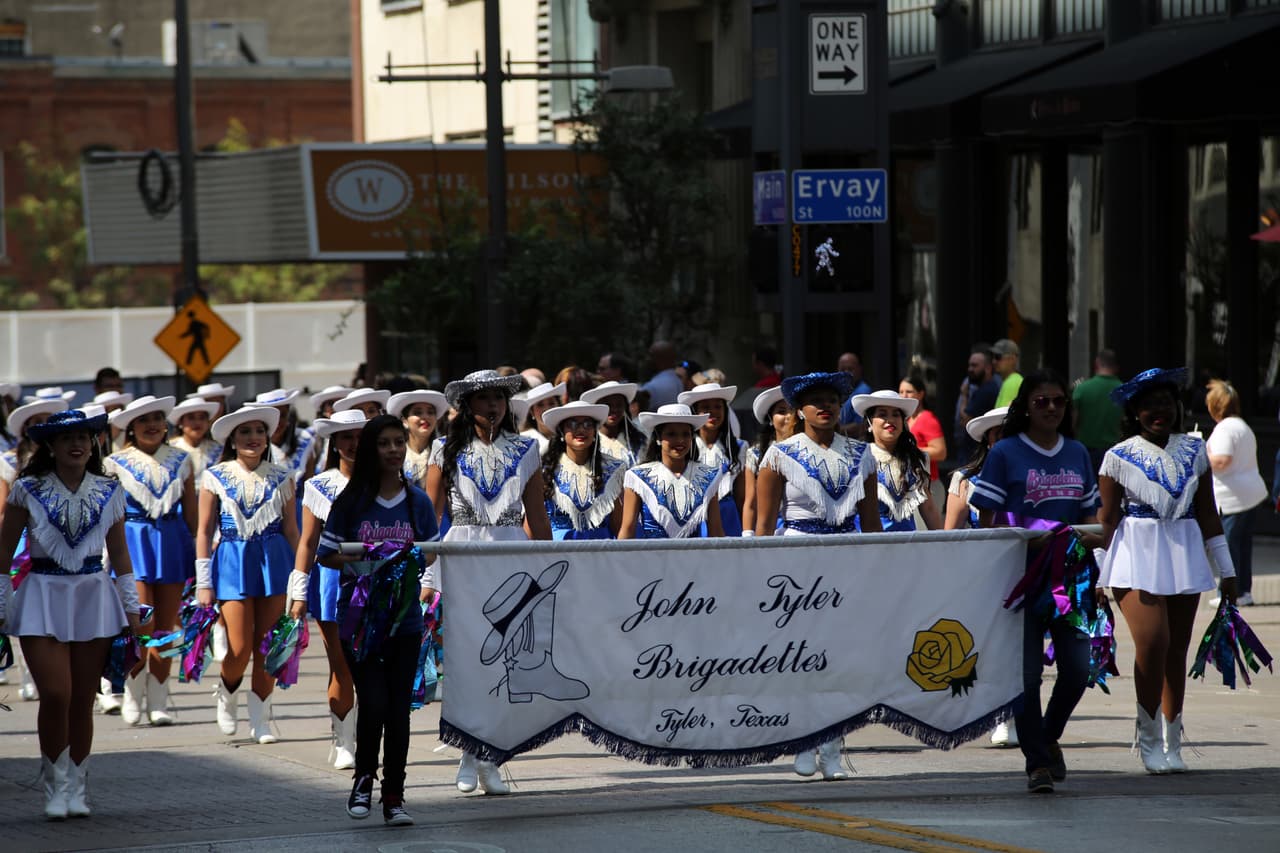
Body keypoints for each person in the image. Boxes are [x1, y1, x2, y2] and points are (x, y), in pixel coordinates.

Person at [0, 408, 145, 819]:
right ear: (51, 446)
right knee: (56, 693)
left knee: (82, 698)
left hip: (92, 594)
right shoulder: (27, 488)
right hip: (41, 594)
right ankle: (53, 784)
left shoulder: (109, 489)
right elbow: (3, 550)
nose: (78, 445)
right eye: (66, 439)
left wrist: (131, 607)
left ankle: (76, 785)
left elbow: (119, 553)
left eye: (85, 437)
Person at [1097, 367, 1237, 775]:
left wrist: (1227, 571)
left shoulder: (1195, 450)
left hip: (1184, 550)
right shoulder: (1117, 456)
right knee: (1153, 642)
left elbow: (1209, 514)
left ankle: (1173, 741)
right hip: (1137, 552)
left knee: (1177, 648)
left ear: (1176, 407)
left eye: (1165, 403)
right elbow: (1106, 520)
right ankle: (1147, 739)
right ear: (1135, 411)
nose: (1158, 411)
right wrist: (1099, 574)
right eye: (1148, 405)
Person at [969, 369, 1101, 795]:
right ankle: (1037, 764)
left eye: (1058, 401)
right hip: (1020, 579)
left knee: (1078, 671)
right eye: (1041, 401)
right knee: (1025, 678)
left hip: (1072, 579)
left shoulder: (1078, 452)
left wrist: (1091, 539)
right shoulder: (1005, 452)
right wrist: (1027, 532)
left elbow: (1092, 519)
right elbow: (984, 520)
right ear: (1025, 406)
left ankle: (1046, 734)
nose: (1050, 408)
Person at [424, 369, 553, 796]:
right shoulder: (443, 451)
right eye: (483, 399)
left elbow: (538, 518)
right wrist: (427, 575)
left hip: (511, 557)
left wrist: (548, 574)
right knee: (463, 663)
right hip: (461, 559)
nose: (493, 405)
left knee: (504, 661)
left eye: (499, 397)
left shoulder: (528, 449)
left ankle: (491, 756)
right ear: (467, 406)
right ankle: (466, 750)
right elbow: (428, 520)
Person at [312, 414, 439, 827]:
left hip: (405, 621)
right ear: (371, 449)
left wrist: (406, 557)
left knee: (400, 710)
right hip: (361, 620)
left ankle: (395, 796)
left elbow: (432, 551)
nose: (393, 451)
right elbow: (326, 554)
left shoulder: (417, 500)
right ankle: (363, 779)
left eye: (398, 443)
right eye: (384, 443)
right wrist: (367, 553)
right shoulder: (351, 501)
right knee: (376, 703)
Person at [754, 371, 881, 780]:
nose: (825, 406)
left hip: (845, 559)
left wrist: (879, 569)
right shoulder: (779, 455)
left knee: (839, 658)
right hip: (797, 561)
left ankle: (832, 747)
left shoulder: (863, 455)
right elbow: (762, 524)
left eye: (832, 398)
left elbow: (871, 523)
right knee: (801, 656)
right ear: (799, 410)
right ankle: (803, 740)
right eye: (816, 400)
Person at [195, 405, 300, 744]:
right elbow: (203, 531)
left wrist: (302, 577)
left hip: (275, 561)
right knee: (238, 648)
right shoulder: (215, 476)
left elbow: (292, 531)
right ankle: (227, 692)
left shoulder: (282, 475)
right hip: (232, 561)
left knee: (269, 647)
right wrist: (203, 581)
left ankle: (261, 718)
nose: (254, 438)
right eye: (245, 432)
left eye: (259, 431)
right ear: (232, 439)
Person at [105, 396, 198, 727]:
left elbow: (192, 515)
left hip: (171, 543)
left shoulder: (181, 460)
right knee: (139, 625)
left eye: (158, 418)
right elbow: (110, 513)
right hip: (133, 543)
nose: (153, 425)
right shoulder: (115, 462)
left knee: (165, 628)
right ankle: (132, 691)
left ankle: (159, 698)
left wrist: (200, 558)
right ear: (132, 426)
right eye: (145, 420)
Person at [289, 409, 366, 771]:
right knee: (342, 665)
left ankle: (370, 737)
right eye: (346, 437)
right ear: (335, 443)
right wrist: (299, 591)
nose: (354, 443)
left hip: (377, 580)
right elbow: (307, 542)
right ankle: (343, 738)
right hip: (333, 582)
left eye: (360, 436)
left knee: (376, 666)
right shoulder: (318, 485)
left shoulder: (388, 481)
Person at [618, 404, 725, 539]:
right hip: (652, 558)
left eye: (685, 434)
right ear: (658, 437)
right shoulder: (637, 477)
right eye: (671, 434)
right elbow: (628, 529)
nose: (680, 440)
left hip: (694, 558)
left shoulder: (708, 476)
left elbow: (716, 530)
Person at [1205, 379, 1267, 607]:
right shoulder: (1241, 425)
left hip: (1234, 498)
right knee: (1242, 544)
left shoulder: (1225, 429)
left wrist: (1201, 456)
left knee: (1229, 546)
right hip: (1249, 494)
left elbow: (1222, 460)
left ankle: (1230, 593)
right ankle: (1244, 591)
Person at [852, 390, 942, 531]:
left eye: (896, 414)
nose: (890, 420)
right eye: (882, 414)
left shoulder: (915, 458)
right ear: (869, 422)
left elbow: (928, 508)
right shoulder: (857, 458)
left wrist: (943, 545)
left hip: (906, 545)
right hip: (868, 544)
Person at [540, 401, 627, 539]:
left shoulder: (613, 470)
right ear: (562, 431)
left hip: (600, 552)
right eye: (573, 424)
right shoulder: (544, 471)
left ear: (594, 431)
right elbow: (533, 524)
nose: (581, 430)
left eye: (587, 424)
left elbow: (619, 525)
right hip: (557, 554)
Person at [679, 383, 746, 536]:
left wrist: (747, 531)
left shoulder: (739, 446)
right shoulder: (684, 446)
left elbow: (741, 496)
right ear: (695, 412)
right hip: (695, 515)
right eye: (705, 407)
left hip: (728, 514)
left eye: (718, 406)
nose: (713, 412)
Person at [742, 386, 796, 536]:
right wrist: (747, 534)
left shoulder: (809, 450)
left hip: (799, 528)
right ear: (771, 419)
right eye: (781, 411)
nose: (788, 416)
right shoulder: (756, 453)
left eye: (793, 410)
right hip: (766, 526)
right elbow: (751, 502)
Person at [944, 407, 1008, 532]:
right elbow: (950, 538)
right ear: (988, 442)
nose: (1006, 445)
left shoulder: (1036, 478)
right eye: (999, 438)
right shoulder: (965, 481)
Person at [1072, 349, 1124, 473]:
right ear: (1116, 367)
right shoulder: (1123, 390)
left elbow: (1072, 423)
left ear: (1096, 364)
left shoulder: (1082, 389)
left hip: (1086, 452)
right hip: (1115, 452)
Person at [388, 390, 448, 488]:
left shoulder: (446, 451)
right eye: (418, 412)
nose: (425, 416)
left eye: (430, 412)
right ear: (405, 421)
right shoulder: (395, 453)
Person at [580, 380, 645, 464]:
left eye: (619, 405)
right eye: (608, 405)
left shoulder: (639, 440)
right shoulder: (587, 442)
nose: (614, 410)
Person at [897, 375, 946, 482]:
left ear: (921, 394)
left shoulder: (927, 418)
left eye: (909, 392)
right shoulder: (907, 419)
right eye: (901, 392)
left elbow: (941, 452)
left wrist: (909, 451)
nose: (904, 396)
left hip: (929, 484)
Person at [169, 397, 224, 490]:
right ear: (180, 422)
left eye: (202, 418)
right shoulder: (170, 448)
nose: (197, 422)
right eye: (191, 418)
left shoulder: (218, 450)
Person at [516, 382, 565, 454]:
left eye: (551, 403)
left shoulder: (569, 435)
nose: (547, 408)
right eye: (540, 405)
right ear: (532, 412)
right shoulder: (523, 441)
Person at [641, 341, 684, 408]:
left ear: (660, 358)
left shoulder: (652, 387)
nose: (647, 359)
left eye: (651, 355)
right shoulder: (682, 380)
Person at [835, 352, 873, 427]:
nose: (846, 373)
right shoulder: (837, 390)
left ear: (859, 369)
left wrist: (832, 431)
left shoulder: (864, 392)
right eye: (842, 370)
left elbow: (859, 426)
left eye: (850, 369)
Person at [992, 340, 1024, 408]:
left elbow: (1001, 417)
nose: (994, 361)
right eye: (993, 357)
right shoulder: (1013, 380)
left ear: (1012, 359)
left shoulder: (1012, 382)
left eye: (998, 357)